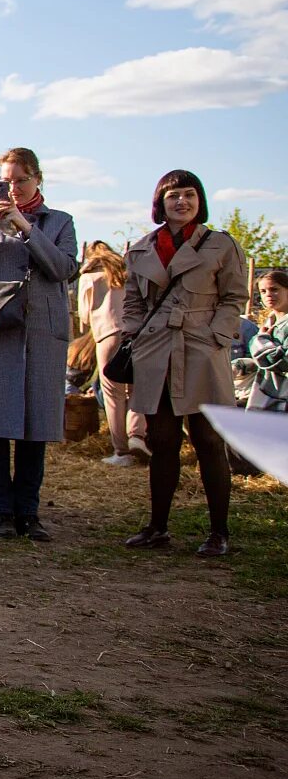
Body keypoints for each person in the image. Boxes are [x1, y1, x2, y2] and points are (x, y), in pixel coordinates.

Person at [120, 170, 248, 557]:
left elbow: (234, 297)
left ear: (200, 200)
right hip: (156, 352)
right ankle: (157, 528)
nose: (182, 202)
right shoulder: (140, 249)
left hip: (201, 351)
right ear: (160, 202)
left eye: (189, 195)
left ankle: (219, 532)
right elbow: (132, 302)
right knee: (162, 443)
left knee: (209, 441)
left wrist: (216, 338)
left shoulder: (221, 246)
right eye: (173, 195)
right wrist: (134, 336)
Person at [0, 148, 78, 541]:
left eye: (20, 180)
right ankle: (1, 512)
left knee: (34, 427)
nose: (13, 188)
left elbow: (63, 268)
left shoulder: (59, 222)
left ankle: (29, 512)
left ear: (38, 179)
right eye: (5, 181)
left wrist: (26, 227)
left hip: (40, 335)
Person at [78, 243, 147, 464]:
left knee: (113, 393)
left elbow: (85, 316)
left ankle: (121, 452)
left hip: (107, 334)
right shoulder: (126, 272)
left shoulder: (89, 277)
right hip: (136, 332)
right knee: (138, 386)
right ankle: (137, 435)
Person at [238, 270, 288, 413]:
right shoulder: (270, 323)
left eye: (274, 289)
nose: (268, 295)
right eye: (263, 291)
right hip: (270, 395)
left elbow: (282, 361)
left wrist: (260, 341)